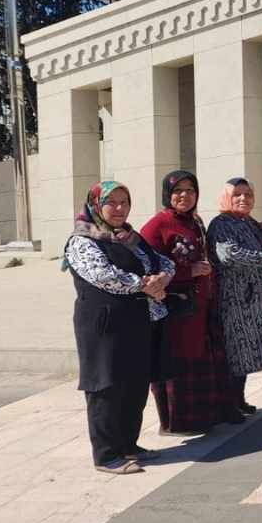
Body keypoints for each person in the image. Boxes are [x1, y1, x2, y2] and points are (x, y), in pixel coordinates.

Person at [64, 181, 174, 474]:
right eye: (111, 202)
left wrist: (162, 277)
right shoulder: (82, 240)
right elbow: (102, 274)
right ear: (96, 205)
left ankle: (128, 445)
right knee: (105, 386)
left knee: (135, 385)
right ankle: (106, 454)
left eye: (124, 202)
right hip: (103, 325)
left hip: (137, 321)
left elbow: (163, 261)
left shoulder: (130, 237)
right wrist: (144, 285)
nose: (119, 208)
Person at [141, 171, 243, 436]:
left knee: (203, 359)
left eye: (190, 190)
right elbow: (147, 268)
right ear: (167, 194)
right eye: (177, 190)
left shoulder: (195, 221)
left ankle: (207, 416)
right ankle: (177, 422)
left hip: (201, 308)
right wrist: (188, 272)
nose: (184, 195)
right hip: (176, 311)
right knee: (179, 363)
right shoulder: (157, 225)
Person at [207, 178, 262, 416]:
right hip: (234, 299)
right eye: (237, 194)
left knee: (246, 354)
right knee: (235, 351)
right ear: (227, 197)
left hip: (254, 299)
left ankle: (238, 399)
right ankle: (228, 406)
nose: (243, 199)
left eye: (248, 194)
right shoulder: (220, 223)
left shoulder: (249, 223)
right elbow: (229, 254)